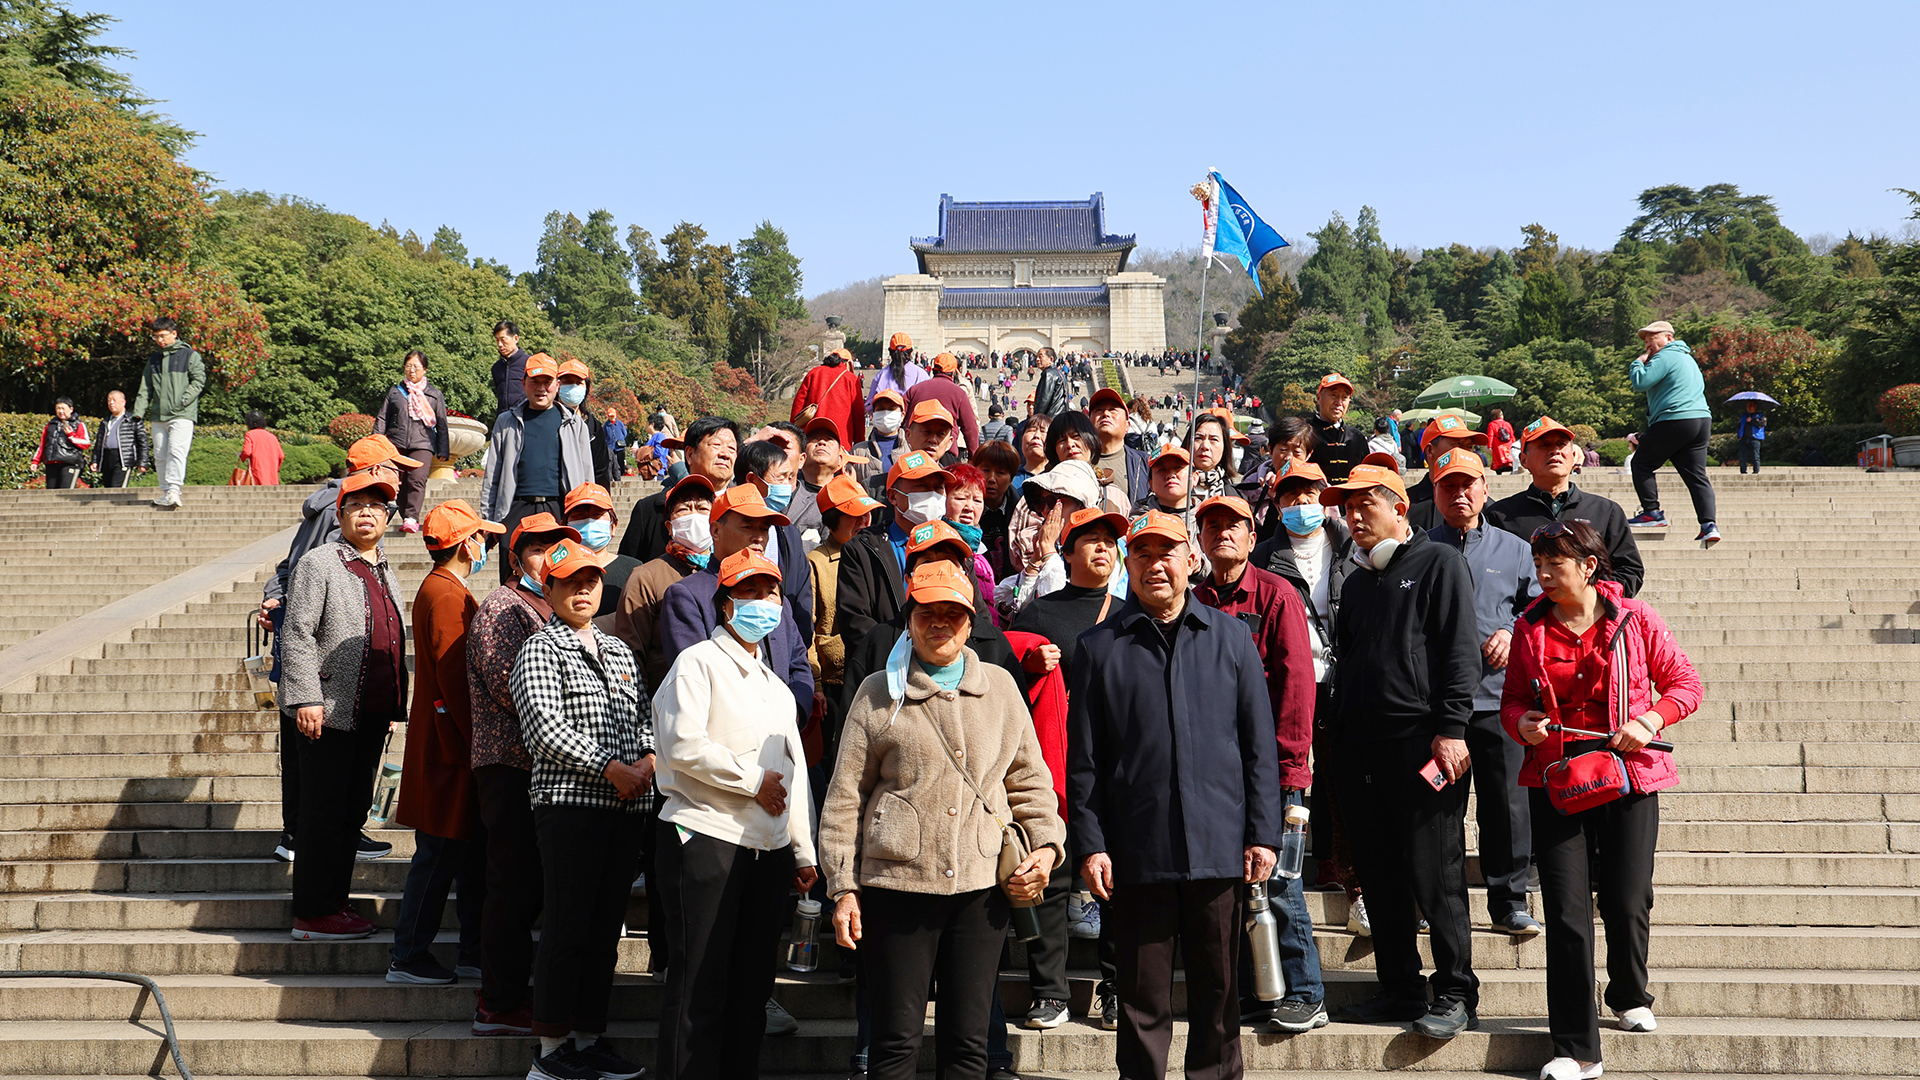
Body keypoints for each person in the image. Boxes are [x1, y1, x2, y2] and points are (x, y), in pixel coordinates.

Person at [821, 561, 1064, 1080]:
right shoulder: (876, 692)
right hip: (896, 886)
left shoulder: (999, 687)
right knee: (894, 1045)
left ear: (971, 621)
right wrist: (843, 887)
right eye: (927, 612)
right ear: (908, 619)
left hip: (981, 889)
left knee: (969, 1046)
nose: (939, 624)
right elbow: (845, 798)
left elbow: (1029, 780)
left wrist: (1045, 847)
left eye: (952, 614)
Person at [1068, 510, 1282, 1080]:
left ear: (1192, 560)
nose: (1155, 566)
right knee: (1140, 1000)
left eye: (1168, 554)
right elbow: (1084, 761)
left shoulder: (1232, 638)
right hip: (1137, 852)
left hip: (1220, 846)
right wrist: (1090, 844)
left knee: (1219, 993)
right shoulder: (1097, 648)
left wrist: (1264, 833)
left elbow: (1259, 747)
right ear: (1126, 564)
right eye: (1143, 555)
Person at [1503, 520, 1702, 1080]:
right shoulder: (1529, 628)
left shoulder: (1636, 620)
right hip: (1558, 779)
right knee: (1566, 914)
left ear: (1589, 566)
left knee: (1627, 897)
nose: (1542, 575)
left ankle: (1629, 991)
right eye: (1538, 564)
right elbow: (1513, 698)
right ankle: (1575, 1048)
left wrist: (1651, 719)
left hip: (1630, 774)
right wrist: (1525, 725)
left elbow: (1686, 682)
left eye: (1554, 564)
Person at [1322, 461, 1481, 1040]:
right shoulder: (1359, 582)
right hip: (1362, 750)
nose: (1355, 515)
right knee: (1380, 874)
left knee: (1433, 873)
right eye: (1347, 506)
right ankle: (1399, 986)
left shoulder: (1440, 562)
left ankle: (1457, 990)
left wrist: (1452, 728)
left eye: (1367, 503)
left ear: (1400, 507)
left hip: (1424, 744)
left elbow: (1459, 652)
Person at [652, 549, 819, 1080]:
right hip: (705, 835)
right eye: (749, 593)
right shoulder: (698, 662)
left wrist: (803, 849)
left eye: (770, 593)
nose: (763, 603)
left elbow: (794, 773)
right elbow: (679, 745)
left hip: (766, 849)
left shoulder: (775, 685)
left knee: (751, 987)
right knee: (699, 983)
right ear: (726, 605)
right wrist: (751, 782)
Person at [510, 538, 654, 1080]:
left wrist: (646, 759)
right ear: (548, 589)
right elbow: (545, 729)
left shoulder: (618, 650)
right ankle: (550, 1050)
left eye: (590, 581)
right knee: (568, 927)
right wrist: (612, 768)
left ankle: (589, 1038)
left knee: (603, 930)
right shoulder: (540, 648)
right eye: (570, 582)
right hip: (570, 807)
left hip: (624, 807)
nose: (583, 590)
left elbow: (643, 714)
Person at [1190, 495, 1326, 1035]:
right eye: (1212, 526)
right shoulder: (1193, 598)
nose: (1223, 534)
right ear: (1199, 539)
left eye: (1234, 526)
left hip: (1269, 766)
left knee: (1282, 881)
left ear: (1253, 537)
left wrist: (1290, 767)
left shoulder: (1276, 595)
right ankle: (1255, 991)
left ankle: (1307, 991)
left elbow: (1296, 686)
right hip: (1211, 772)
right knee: (1232, 882)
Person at [279, 470, 407, 941]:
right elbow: (297, 633)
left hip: (369, 713)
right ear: (341, 513)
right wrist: (306, 697)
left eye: (377, 506)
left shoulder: (383, 566)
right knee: (324, 811)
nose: (368, 513)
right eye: (358, 506)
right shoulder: (320, 563)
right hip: (327, 711)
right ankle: (312, 911)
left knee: (351, 811)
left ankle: (336, 901)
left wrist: (392, 706)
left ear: (389, 517)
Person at [467, 513, 580, 1037]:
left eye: (557, 548)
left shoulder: (549, 609)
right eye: (537, 549)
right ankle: (499, 1000)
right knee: (511, 884)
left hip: (545, 769)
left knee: (531, 884)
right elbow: (509, 688)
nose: (548, 558)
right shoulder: (502, 608)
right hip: (508, 763)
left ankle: (517, 990)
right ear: (516, 559)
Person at [1426, 449, 1542, 937]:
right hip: (1437, 708)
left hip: (1499, 701)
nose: (1459, 494)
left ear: (1485, 487)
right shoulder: (1420, 547)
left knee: (1507, 806)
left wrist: (1514, 630)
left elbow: (1540, 606)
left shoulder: (1514, 549)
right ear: (1434, 493)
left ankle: (1509, 900)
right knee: (1439, 812)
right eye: (1448, 486)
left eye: (1467, 483)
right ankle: (1440, 906)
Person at [388, 499, 503, 985]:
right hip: (450, 749)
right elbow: (457, 678)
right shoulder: (446, 594)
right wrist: (480, 741)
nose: (486, 546)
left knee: (463, 855)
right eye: (481, 538)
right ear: (464, 543)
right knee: (438, 856)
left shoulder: (444, 589)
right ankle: (408, 954)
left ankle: (472, 951)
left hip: (450, 743)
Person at [1249, 460, 1360, 904]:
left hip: (1346, 676)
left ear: (1324, 497)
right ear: (1276, 502)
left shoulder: (1352, 547)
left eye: (1309, 494)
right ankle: (1301, 868)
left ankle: (1347, 868)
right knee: (1292, 771)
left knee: (1344, 772)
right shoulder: (1264, 557)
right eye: (1290, 496)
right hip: (1290, 679)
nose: (1300, 504)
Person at [1487, 416, 1646, 598]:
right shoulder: (1500, 515)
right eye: (1544, 445)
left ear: (1574, 457)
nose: (1555, 451)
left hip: (1591, 620)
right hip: (1525, 621)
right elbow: (1493, 575)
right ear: (1524, 460)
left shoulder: (1606, 511)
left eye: (1561, 444)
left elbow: (1629, 569)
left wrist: (1592, 602)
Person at [479, 354, 595, 582]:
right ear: (523, 383)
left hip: (558, 510)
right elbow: (492, 475)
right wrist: (489, 520)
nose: (541, 388)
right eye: (535, 382)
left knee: (559, 576)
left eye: (547, 382)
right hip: (515, 509)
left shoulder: (574, 424)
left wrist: (586, 515)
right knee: (513, 577)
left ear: (557, 385)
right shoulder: (506, 421)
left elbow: (587, 476)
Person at [805, 475, 884, 767]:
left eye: (867, 514)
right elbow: (809, 627)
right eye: (854, 516)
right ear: (832, 520)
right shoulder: (817, 562)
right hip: (835, 676)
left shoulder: (877, 550)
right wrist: (817, 685)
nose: (864, 521)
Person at [613, 476, 717, 688]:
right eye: (684, 509)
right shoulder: (645, 577)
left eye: (702, 508)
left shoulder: (728, 571)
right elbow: (630, 653)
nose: (694, 515)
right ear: (670, 527)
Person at [837, 451, 951, 642]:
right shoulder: (862, 550)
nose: (931, 496)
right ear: (892, 496)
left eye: (938, 488)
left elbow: (977, 616)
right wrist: (912, 650)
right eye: (921, 487)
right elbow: (855, 622)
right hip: (886, 665)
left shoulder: (956, 547)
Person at [1627, 319, 1720, 543]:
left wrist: (1638, 363)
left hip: (1675, 419)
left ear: (1669, 337)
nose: (1648, 343)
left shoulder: (1665, 355)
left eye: (1653, 337)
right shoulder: (1687, 359)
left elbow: (1641, 382)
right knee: (1696, 475)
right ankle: (1709, 525)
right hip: (1700, 421)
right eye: (1646, 339)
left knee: (1640, 464)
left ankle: (1652, 513)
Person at [619, 417, 740, 564]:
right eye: (716, 445)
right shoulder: (651, 510)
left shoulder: (745, 512)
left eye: (732, 448)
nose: (725, 454)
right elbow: (628, 567)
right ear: (689, 454)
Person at [734, 438, 816, 637]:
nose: (788, 486)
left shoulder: (789, 533)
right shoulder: (728, 529)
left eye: (791, 477)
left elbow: (802, 597)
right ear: (752, 481)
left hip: (784, 646)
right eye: (781, 478)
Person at [132, 316, 206, 508]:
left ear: (174, 333)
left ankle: (174, 489)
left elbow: (199, 380)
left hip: (182, 414)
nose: (159, 340)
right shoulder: (154, 359)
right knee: (160, 454)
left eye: (163, 336)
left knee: (176, 451)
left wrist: (184, 400)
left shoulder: (189, 355)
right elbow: (145, 387)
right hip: (158, 414)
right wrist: (138, 412)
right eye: (156, 337)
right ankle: (166, 491)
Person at [372, 350, 450, 531]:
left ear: (425, 369)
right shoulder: (395, 392)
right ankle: (402, 512)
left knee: (417, 480)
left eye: (416, 366)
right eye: (408, 366)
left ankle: (411, 517)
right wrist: (376, 441)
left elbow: (442, 423)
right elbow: (382, 418)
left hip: (423, 443)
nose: (411, 370)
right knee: (396, 480)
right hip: (396, 443)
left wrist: (443, 449)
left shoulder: (434, 394)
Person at [562, 482, 641, 617]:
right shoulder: (557, 571)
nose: (589, 522)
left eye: (597, 515)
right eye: (579, 516)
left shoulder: (635, 570)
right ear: (564, 526)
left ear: (613, 526)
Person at [1405, 413, 1490, 532]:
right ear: (1430, 451)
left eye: (1469, 447)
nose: (1463, 453)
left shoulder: (1488, 508)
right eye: (1457, 446)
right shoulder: (1405, 507)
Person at [904, 352, 982, 456]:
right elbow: (970, 428)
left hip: (915, 450)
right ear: (954, 373)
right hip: (945, 450)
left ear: (933, 370)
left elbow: (901, 416)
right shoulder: (959, 393)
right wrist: (973, 455)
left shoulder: (914, 390)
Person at [791, 416, 850, 548]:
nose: (822, 442)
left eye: (829, 439)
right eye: (814, 439)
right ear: (802, 457)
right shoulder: (785, 492)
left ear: (840, 460)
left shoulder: (848, 500)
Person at [1085, 388, 1150, 506]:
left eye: (1112, 410)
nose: (1105, 414)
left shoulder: (1145, 463)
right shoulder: (1078, 462)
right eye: (1099, 410)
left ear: (1127, 425)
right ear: (1088, 423)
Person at [791, 345, 867, 446]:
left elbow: (798, 406)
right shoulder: (851, 379)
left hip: (811, 436)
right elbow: (858, 414)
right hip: (840, 440)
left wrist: (793, 435)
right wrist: (859, 442)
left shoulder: (813, 373)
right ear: (847, 363)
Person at [1303, 373, 1368, 483]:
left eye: (1345, 397)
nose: (1339, 402)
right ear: (1318, 398)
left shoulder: (1357, 437)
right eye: (1334, 395)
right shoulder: (1303, 432)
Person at [1186, 408, 1244, 504]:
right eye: (1198, 438)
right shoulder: (1168, 484)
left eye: (1214, 439)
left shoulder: (1235, 496)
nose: (1205, 446)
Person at [92, 389, 148, 488]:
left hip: (123, 458)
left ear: (123, 402)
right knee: (107, 488)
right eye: (109, 400)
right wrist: (95, 460)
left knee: (117, 488)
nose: (111, 403)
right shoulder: (105, 421)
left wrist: (142, 462)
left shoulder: (132, 420)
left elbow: (142, 442)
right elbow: (99, 443)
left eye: (114, 400)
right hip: (107, 458)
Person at [31, 398, 90, 489]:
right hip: (52, 463)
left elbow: (86, 443)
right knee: (51, 492)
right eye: (58, 408)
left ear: (71, 409)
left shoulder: (78, 424)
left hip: (70, 462)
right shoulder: (50, 425)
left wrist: (71, 435)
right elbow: (43, 444)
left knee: (65, 491)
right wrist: (35, 461)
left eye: (63, 408)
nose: (61, 411)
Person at [866, 332, 928, 409]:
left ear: (890, 352)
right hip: (912, 419)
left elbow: (869, 405)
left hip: (886, 419)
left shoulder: (881, 375)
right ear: (910, 352)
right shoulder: (921, 375)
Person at [491, 319, 530, 415]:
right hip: (503, 418)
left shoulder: (529, 363)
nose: (500, 344)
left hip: (525, 417)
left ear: (516, 338)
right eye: (497, 340)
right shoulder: (496, 368)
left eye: (503, 340)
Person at [240, 411, 284, 486]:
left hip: (257, 470)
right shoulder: (272, 436)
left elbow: (247, 452)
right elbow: (281, 456)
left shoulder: (250, 434)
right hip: (272, 473)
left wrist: (242, 457)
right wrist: (276, 468)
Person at [1031, 346, 1071, 419]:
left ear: (1051, 359)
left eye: (1040, 357)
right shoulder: (1059, 373)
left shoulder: (1049, 374)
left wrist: (1036, 418)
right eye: (1036, 357)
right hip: (1060, 417)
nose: (1037, 359)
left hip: (1050, 418)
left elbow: (1044, 399)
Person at [1736, 400, 1768, 474]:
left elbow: (1762, 424)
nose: (1749, 408)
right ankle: (1743, 471)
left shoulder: (1760, 415)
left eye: (1751, 406)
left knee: (1755, 455)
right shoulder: (1744, 416)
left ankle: (1756, 471)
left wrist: (1752, 421)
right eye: (1748, 406)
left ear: (1755, 407)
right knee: (1742, 456)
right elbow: (1739, 426)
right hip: (1743, 438)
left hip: (1755, 438)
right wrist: (1739, 435)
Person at [1486, 407, 1517, 473]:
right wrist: (1514, 444)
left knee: (1499, 460)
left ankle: (1499, 469)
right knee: (1509, 457)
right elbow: (1512, 435)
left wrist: (1489, 446)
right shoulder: (1507, 424)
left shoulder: (1492, 424)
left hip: (1498, 445)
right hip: (1508, 444)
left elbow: (1490, 435)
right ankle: (1510, 465)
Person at [604, 406, 629, 480]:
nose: (611, 417)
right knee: (611, 462)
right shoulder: (606, 425)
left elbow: (624, 433)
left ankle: (620, 475)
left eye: (612, 416)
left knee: (620, 461)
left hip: (620, 446)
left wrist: (620, 439)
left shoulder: (620, 423)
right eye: (610, 416)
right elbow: (604, 435)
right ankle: (612, 476)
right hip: (610, 446)